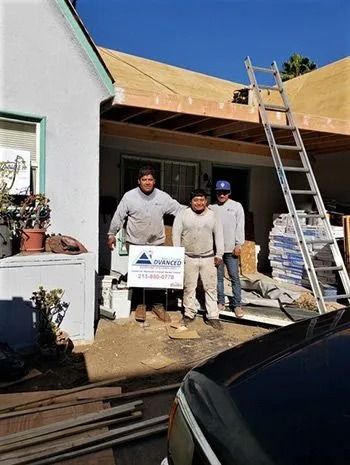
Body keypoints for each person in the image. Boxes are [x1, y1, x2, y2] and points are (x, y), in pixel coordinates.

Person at [107, 165, 182, 322]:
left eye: (150, 179)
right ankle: (140, 305)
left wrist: (196, 212)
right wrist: (111, 234)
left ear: (154, 181)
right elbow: (119, 216)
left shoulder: (162, 197)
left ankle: (157, 305)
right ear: (139, 181)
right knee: (138, 276)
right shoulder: (129, 197)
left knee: (156, 276)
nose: (147, 182)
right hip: (135, 243)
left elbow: (178, 209)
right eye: (144, 179)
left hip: (156, 243)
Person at [172, 189, 224, 330]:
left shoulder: (213, 216)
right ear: (191, 202)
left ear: (205, 201)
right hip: (189, 257)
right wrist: (179, 255)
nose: (199, 203)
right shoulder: (183, 215)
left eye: (202, 200)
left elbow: (219, 236)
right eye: (196, 200)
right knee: (189, 288)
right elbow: (176, 235)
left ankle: (213, 316)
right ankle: (189, 314)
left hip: (208, 258)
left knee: (210, 288)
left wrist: (219, 254)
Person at [211, 180, 245, 318]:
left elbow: (240, 226)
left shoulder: (236, 206)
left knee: (234, 277)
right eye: (219, 192)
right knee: (218, 278)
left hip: (231, 249)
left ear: (229, 193)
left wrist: (238, 244)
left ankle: (237, 305)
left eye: (224, 192)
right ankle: (220, 301)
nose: (222, 195)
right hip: (217, 250)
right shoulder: (212, 208)